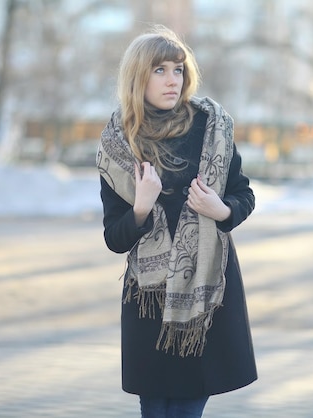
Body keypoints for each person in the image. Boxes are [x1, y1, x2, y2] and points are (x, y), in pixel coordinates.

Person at [96, 26, 257, 418]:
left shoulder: (212, 128)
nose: (173, 80)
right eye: (160, 70)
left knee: (187, 407)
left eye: (178, 70)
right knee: (154, 407)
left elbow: (243, 194)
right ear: (138, 76)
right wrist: (140, 209)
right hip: (149, 302)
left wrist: (222, 210)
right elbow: (115, 238)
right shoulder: (120, 142)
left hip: (205, 297)